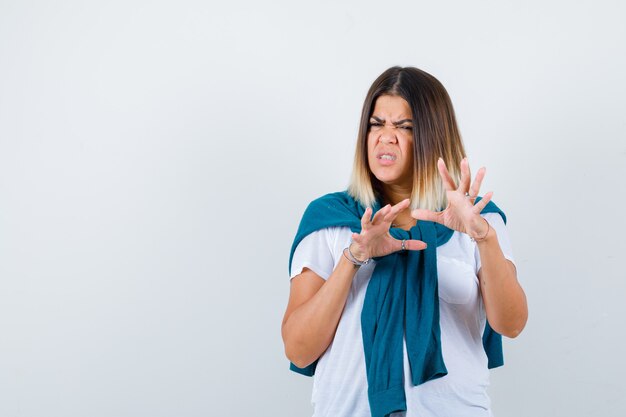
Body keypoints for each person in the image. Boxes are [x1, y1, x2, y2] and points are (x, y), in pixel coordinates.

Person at [281, 66, 528, 417]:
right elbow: (298, 349)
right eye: (376, 124)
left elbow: (511, 324)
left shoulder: (479, 220)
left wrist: (483, 237)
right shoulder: (330, 220)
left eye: (405, 127)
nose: (386, 137)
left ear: (434, 137)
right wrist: (355, 257)